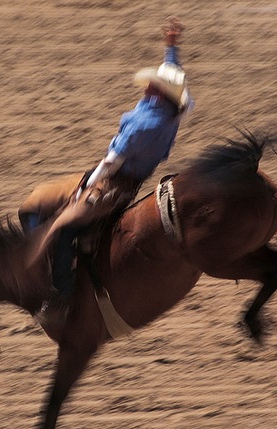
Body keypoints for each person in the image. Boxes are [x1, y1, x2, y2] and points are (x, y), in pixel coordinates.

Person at [29, 17, 194, 316]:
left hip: (113, 181)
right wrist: (171, 46)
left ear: (159, 92)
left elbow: (110, 162)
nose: (148, 88)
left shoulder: (144, 124)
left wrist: (85, 190)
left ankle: (61, 294)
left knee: (66, 227)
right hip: (130, 176)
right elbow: (176, 74)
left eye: (153, 86)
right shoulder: (173, 112)